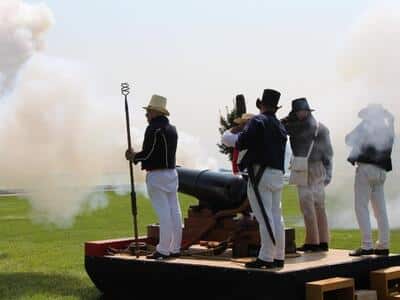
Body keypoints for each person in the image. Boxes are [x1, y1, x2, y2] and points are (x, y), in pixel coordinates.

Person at [126, 94, 182, 260]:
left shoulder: (153, 129)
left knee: (164, 214)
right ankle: (175, 248)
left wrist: (133, 157)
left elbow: (148, 154)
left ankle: (163, 250)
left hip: (157, 175)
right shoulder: (172, 129)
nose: (147, 115)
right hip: (172, 173)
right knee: (175, 213)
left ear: (155, 112)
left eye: (149, 111)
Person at [236, 89, 287, 269]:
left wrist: (242, 131)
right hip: (276, 173)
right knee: (276, 216)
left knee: (264, 217)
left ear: (261, 105)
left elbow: (242, 142)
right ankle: (279, 255)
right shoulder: (280, 126)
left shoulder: (257, 121)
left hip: (261, 174)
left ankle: (266, 257)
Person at [281, 98, 333, 252]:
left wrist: (288, 117)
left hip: (304, 167)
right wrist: (329, 172)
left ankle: (312, 242)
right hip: (317, 167)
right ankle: (323, 241)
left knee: (307, 205)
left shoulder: (295, 126)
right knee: (318, 205)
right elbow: (329, 153)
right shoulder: (321, 128)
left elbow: (279, 125)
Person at [346, 104, 394, 257]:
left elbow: (349, 139)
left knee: (361, 207)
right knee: (381, 211)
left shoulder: (366, 125)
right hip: (381, 171)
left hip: (366, 168)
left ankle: (367, 246)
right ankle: (383, 245)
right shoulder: (388, 127)